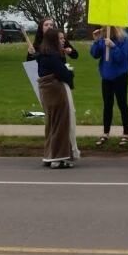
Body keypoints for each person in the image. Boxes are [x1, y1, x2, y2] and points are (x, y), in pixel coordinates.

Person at [37, 27, 77, 168]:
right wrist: (70, 74)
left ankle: (49, 155)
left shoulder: (43, 54)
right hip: (55, 90)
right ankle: (59, 157)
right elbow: (63, 74)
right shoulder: (53, 56)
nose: (63, 41)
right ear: (54, 40)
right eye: (60, 38)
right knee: (61, 123)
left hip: (46, 91)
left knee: (52, 123)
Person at [89, 25, 128, 146]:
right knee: (107, 104)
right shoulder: (103, 37)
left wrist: (113, 47)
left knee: (122, 103)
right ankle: (105, 132)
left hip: (120, 75)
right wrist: (96, 41)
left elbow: (122, 58)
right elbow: (95, 54)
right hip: (106, 75)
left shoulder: (124, 38)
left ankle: (125, 133)